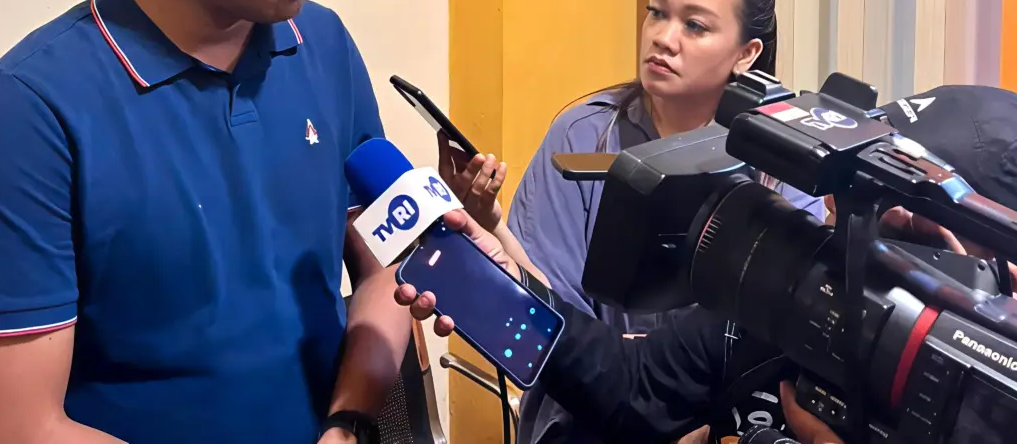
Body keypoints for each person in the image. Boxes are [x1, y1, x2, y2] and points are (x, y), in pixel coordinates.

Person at [0, 0, 415, 444]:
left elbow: (385, 265)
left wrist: (347, 419)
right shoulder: (32, 107)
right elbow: (21, 424)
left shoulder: (324, 43)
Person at [401, 83, 1017, 444]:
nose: (847, 220)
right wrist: (495, 278)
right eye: (861, 199)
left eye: (909, 224)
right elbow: (627, 384)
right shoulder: (792, 290)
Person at [445, 0, 824, 443]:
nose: (664, 38)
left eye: (694, 25)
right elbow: (553, 327)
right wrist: (491, 229)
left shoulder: (782, 161)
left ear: (746, 53)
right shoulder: (583, 135)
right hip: (585, 416)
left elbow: (775, 339)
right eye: (657, 13)